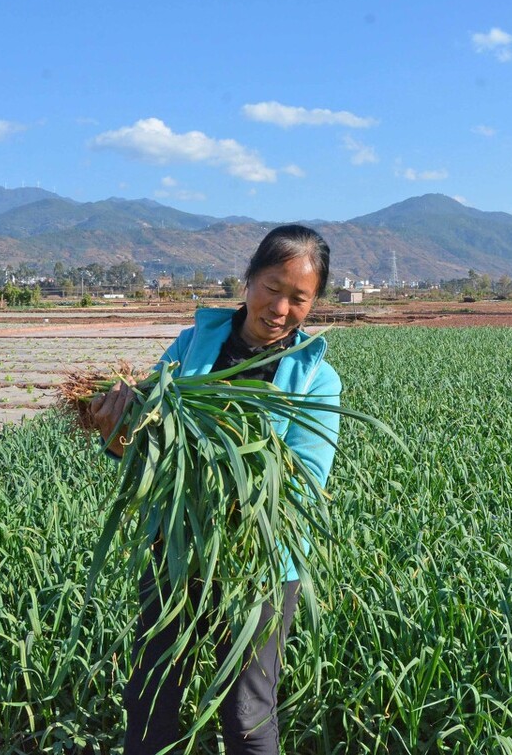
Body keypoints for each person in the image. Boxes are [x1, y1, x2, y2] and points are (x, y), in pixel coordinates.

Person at [89, 224, 341, 754]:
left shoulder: (317, 379)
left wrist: (230, 491)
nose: (280, 308)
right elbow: (143, 446)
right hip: (178, 549)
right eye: (272, 288)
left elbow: (302, 485)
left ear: (314, 304)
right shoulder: (192, 344)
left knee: (247, 710)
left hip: (263, 562)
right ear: (248, 279)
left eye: (299, 298)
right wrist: (115, 424)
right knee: (151, 695)